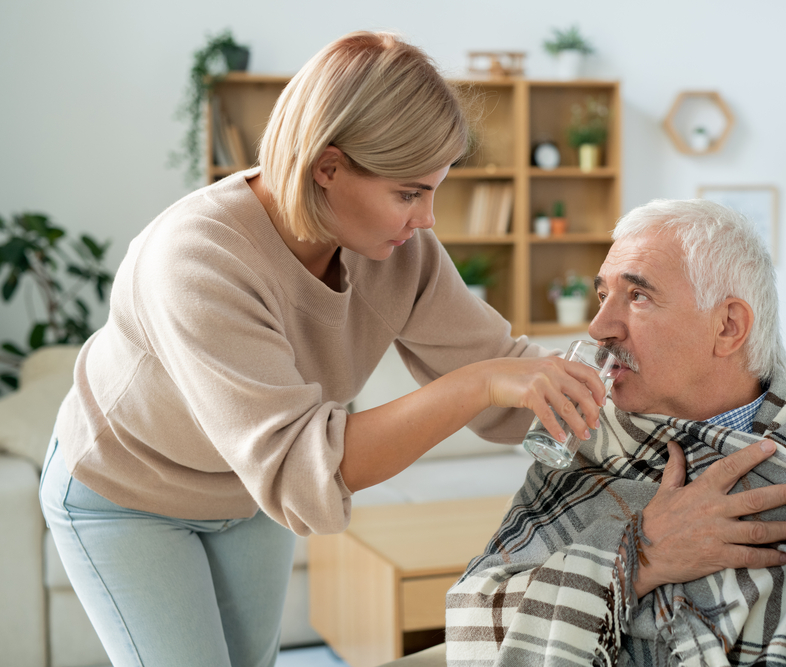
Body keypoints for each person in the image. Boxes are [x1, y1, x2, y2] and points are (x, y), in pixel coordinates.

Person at [37, 32, 612, 667]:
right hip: (129, 490)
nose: (427, 219)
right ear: (328, 167)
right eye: (409, 193)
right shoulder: (197, 259)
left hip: (244, 491)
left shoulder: (401, 252)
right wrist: (478, 383)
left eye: (433, 190)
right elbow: (302, 462)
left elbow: (510, 370)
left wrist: (650, 392)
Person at [446, 199, 786, 666]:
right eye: (602, 295)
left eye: (636, 296)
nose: (599, 326)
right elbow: (470, 615)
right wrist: (636, 556)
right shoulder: (580, 454)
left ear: (728, 327)